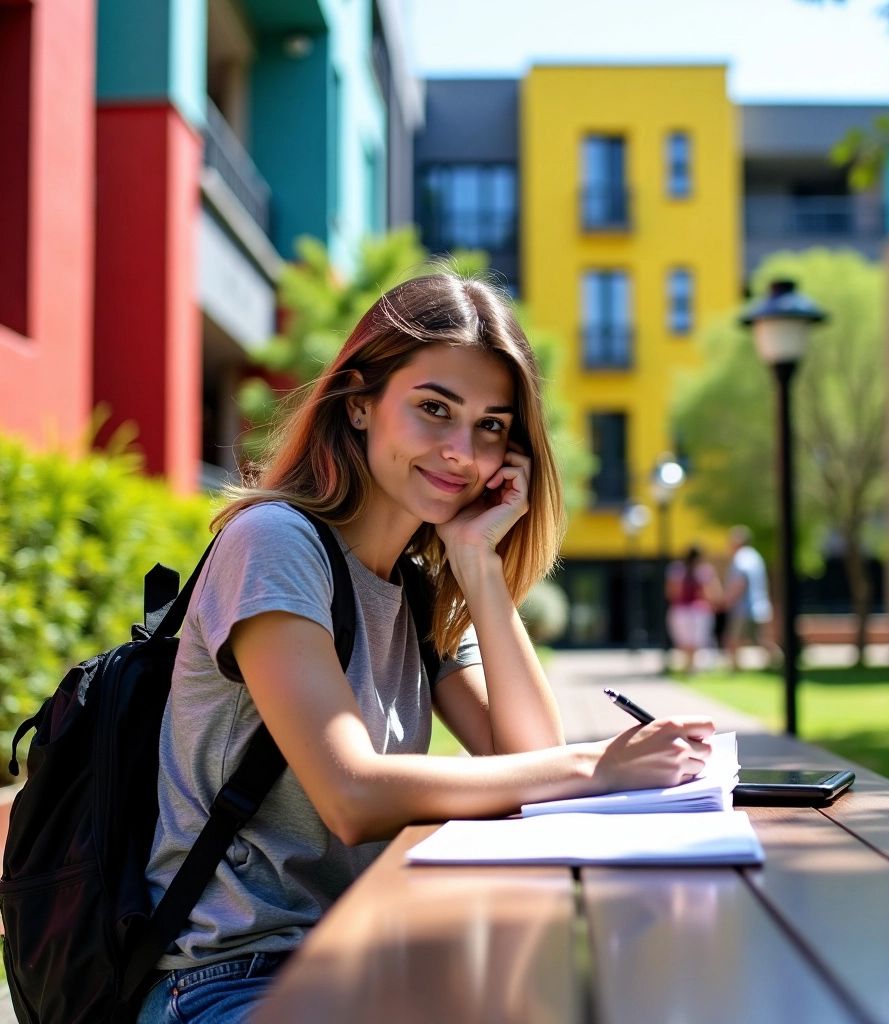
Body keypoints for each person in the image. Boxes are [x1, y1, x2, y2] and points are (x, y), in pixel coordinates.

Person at [138, 274, 714, 1024]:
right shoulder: (273, 544)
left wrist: (476, 563)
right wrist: (597, 764)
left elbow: (523, 752)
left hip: (359, 957)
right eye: (434, 409)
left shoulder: (416, 590)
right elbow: (353, 795)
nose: (462, 453)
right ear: (359, 403)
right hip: (229, 981)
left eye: (491, 426)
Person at [721, 525, 774, 670]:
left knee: (733, 639)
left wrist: (727, 599)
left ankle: (734, 668)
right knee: (763, 639)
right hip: (761, 605)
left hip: (743, 607)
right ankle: (776, 662)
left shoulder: (741, 558)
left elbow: (739, 582)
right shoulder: (756, 556)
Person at [665, 544, 721, 673]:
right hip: (698, 610)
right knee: (695, 641)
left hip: (681, 610)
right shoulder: (704, 570)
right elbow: (711, 592)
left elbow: (671, 593)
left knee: (685, 641)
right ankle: (690, 667)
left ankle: (688, 666)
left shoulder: (676, 569)